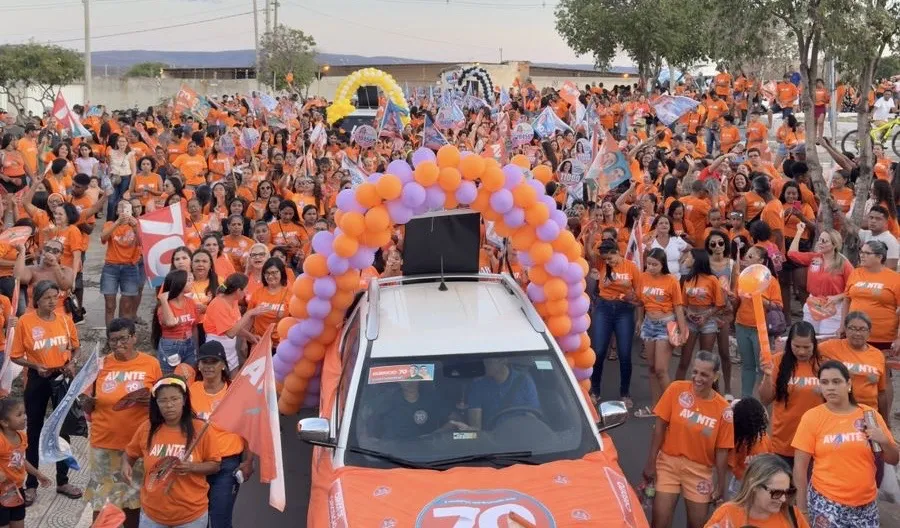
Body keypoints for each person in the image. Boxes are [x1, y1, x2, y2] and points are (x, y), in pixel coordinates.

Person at [792, 360, 898, 527]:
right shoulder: (812, 418)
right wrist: (802, 510)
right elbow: (799, 468)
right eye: (825, 382)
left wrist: (883, 440)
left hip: (866, 504)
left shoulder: (869, 415)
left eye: (836, 381)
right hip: (826, 503)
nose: (830, 387)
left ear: (848, 384)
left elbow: (893, 459)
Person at [82, 318, 162, 528]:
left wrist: (152, 400)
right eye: (113, 340)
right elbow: (86, 406)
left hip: (136, 445)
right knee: (102, 499)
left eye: (123, 339)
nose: (118, 345)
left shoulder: (151, 364)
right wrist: (86, 402)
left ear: (134, 337)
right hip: (104, 443)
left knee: (132, 500)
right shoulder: (100, 364)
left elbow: (162, 401)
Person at [9, 280, 82, 504]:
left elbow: (76, 348)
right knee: (33, 430)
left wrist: (73, 363)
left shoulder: (65, 319)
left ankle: (62, 480)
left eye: (55, 297)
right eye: (48, 297)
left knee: (62, 428)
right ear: (37, 299)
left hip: (61, 378)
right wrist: (34, 366)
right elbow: (15, 355)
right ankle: (31, 484)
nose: (53, 301)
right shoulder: (26, 322)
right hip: (38, 379)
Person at [643, 350, 733, 528]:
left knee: (697, 524)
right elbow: (659, 428)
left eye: (704, 374)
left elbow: (722, 451)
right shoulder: (676, 389)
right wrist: (651, 462)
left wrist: (720, 484)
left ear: (716, 376)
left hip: (700, 471)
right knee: (659, 522)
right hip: (668, 463)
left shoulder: (724, 410)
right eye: (695, 372)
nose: (697, 378)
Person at [122, 377, 221, 528]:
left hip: (190, 516)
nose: (169, 405)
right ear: (156, 404)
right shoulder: (146, 428)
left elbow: (215, 465)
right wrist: (126, 465)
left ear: (184, 400)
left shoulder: (201, 429)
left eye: (174, 399)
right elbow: (130, 453)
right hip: (152, 515)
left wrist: (191, 467)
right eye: (163, 400)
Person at [189, 342, 253, 528]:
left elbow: (248, 428)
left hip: (227, 466)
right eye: (204, 362)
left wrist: (249, 461)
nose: (208, 366)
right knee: (196, 520)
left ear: (223, 364)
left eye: (214, 362)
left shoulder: (236, 392)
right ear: (198, 365)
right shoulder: (190, 391)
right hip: (197, 464)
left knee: (219, 521)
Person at [636, 248, 689, 417]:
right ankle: (656, 406)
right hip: (648, 324)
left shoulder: (671, 281)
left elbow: (678, 307)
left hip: (666, 325)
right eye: (649, 264)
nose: (650, 267)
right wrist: (639, 320)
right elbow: (639, 302)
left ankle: (674, 407)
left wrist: (682, 330)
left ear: (662, 264)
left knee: (661, 369)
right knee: (651, 368)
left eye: (654, 264)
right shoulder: (643, 277)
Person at [589, 240, 641, 408]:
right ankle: (594, 390)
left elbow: (640, 296)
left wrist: (639, 317)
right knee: (599, 351)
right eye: (606, 260)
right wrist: (589, 234)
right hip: (604, 308)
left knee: (625, 353)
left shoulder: (632, 267)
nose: (608, 262)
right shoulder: (602, 263)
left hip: (625, 311)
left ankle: (625, 392)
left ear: (619, 252)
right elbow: (589, 252)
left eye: (611, 258)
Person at [705, 454, 809, 528]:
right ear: (753, 485)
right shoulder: (727, 515)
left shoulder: (792, 515)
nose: (783, 499)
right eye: (776, 492)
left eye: (787, 492)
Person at [820, 312, 889, 422]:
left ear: (869, 332)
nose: (857, 333)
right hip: (838, 413)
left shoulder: (877, 355)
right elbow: (807, 349)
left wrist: (885, 423)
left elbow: (881, 392)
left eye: (862, 329)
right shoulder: (830, 347)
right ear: (845, 329)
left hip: (868, 414)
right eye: (852, 328)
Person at [735, 246, 783, 398]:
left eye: (750, 256)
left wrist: (758, 297)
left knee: (763, 367)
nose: (746, 259)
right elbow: (738, 300)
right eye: (746, 256)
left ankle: (763, 401)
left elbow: (779, 306)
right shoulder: (742, 278)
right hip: (742, 325)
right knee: (747, 366)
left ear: (761, 261)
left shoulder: (771, 281)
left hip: (760, 330)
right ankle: (746, 399)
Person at [787, 226, 852, 336]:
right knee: (810, 336)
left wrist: (838, 297)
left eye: (824, 241)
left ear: (834, 244)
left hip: (833, 306)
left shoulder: (844, 264)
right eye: (819, 239)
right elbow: (791, 254)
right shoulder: (815, 258)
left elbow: (854, 288)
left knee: (827, 339)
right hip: (814, 303)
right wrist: (799, 232)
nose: (820, 243)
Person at [676, 249, 727, 388]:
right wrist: (688, 313)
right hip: (690, 321)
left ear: (696, 261)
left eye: (689, 257)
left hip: (708, 321)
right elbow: (682, 303)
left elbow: (720, 304)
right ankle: (676, 391)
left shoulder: (712, 280)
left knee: (706, 362)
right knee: (684, 360)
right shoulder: (688, 279)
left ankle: (711, 393)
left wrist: (706, 316)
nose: (686, 259)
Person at [0, 397, 53, 528]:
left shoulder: (22, 436)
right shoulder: (1, 441)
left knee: (19, 523)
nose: (24, 417)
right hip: (1, 493)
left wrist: (38, 474)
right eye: (19, 415)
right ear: (5, 423)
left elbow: (21, 460)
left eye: (24, 413)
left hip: (17, 489)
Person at [840, 240, 900, 352]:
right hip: (854, 334)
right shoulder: (855, 273)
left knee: (879, 368)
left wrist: (899, 338)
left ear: (879, 257)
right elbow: (847, 299)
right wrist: (843, 325)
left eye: (867, 253)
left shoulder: (895, 279)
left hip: (882, 338)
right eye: (861, 252)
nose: (862, 255)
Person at [203, 273, 266, 374]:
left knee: (234, 380)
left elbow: (235, 326)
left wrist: (251, 337)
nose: (247, 292)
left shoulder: (234, 300)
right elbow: (231, 333)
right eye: (245, 289)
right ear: (238, 290)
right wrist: (249, 313)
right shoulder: (218, 304)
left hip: (230, 351)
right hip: (216, 349)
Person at [466, 357, 539, 431]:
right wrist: (467, 431)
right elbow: (476, 428)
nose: (484, 365)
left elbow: (532, 418)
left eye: (489, 362)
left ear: (503, 361)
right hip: (491, 439)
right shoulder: (478, 385)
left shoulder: (525, 382)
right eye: (484, 361)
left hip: (520, 436)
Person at [100, 199, 142, 324]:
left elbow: (142, 243)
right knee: (109, 305)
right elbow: (103, 238)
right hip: (111, 267)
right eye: (120, 207)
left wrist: (135, 227)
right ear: (116, 210)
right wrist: (117, 222)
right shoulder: (109, 224)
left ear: (131, 211)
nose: (123, 210)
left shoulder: (137, 224)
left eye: (126, 208)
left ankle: (124, 334)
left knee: (127, 305)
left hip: (130, 267)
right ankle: (110, 337)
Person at [153, 269, 200, 374]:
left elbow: (194, 326)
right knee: (170, 378)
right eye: (188, 280)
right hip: (171, 346)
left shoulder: (190, 302)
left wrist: (196, 347)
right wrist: (164, 300)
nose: (191, 282)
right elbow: (170, 322)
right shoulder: (164, 306)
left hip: (189, 343)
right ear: (179, 283)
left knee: (190, 375)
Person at [727, 397, 771, 497]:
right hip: (752, 484)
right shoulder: (763, 438)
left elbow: (730, 465)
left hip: (750, 484)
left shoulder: (739, 442)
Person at [247, 258, 289, 346]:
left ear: (281, 272)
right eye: (267, 273)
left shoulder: (290, 294)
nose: (270, 276)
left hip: (281, 345)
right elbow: (250, 317)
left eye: (274, 272)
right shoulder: (257, 293)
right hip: (259, 343)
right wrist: (247, 339)